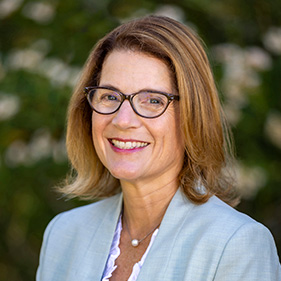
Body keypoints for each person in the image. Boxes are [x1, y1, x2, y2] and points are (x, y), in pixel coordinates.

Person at [36, 15, 281, 280]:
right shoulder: (63, 234)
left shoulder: (236, 244)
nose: (123, 121)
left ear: (192, 115)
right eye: (109, 96)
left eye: (152, 100)